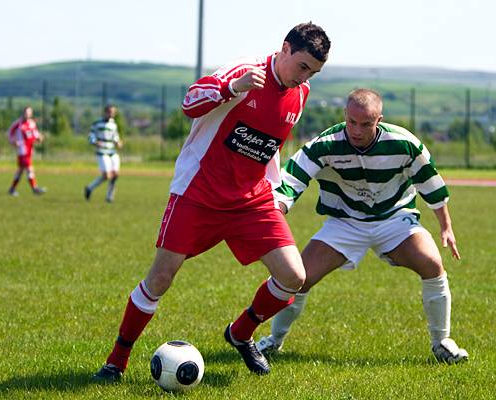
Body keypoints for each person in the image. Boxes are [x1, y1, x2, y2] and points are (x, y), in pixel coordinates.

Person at [92, 22, 331, 382]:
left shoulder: (300, 93)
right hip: (199, 194)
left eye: (313, 72)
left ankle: (240, 333)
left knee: (293, 276)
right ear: (284, 48)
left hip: (252, 201)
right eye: (302, 67)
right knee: (159, 277)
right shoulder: (246, 70)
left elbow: (269, 144)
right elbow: (189, 102)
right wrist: (231, 88)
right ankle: (116, 361)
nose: (305, 77)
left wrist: (274, 190)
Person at [256, 88, 469, 364]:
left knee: (432, 263)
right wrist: (278, 209)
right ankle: (274, 341)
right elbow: (292, 180)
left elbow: (431, 185)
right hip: (345, 223)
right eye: (352, 122)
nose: (357, 130)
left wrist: (446, 227)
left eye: (366, 124)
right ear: (345, 115)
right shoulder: (326, 144)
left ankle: (442, 343)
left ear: (379, 120)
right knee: (298, 278)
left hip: (394, 218)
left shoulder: (404, 144)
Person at [85, 105, 122, 203]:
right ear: (105, 112)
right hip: (102, 152)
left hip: (112, 151)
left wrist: (118, 142)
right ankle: (89, 188)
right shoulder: (97, 123)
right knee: (106, 175)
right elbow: (90, 135)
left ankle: (109, 196)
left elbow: (115, 136)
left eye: (113, 112)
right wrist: (95, 142)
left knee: (115, 174)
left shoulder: (113, 124)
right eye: (110, 112)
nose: (111, 114)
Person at [7, 106, 46, 196]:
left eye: (29, 112)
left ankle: (12, 189)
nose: (27, 114)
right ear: (23, 113)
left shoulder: (32, 123)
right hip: (22, 151)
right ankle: (35, 189)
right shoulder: (18, 124)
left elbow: (35, 135)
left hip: (29, 151)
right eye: (26, 112)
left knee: (20, 171)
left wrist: (39, 138)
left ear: (31, 114)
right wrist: (13, 142)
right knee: (29, 169)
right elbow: (9, 133)